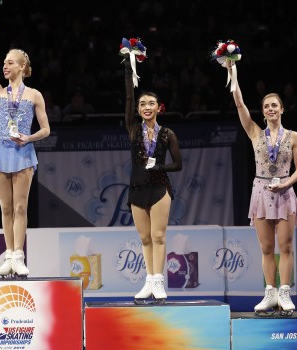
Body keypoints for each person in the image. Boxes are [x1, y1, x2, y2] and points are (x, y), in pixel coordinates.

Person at [227, 61, 297, 315]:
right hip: (260, 192)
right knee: (267, 248)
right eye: (266, 106)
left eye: (274, 105)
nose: (271, 109)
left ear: (282, 109)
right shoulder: (254, 133)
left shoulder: (294, 136)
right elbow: (239, 103)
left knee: (287, 247)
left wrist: (285, 183)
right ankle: (269, 293)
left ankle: (285, 293)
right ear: (262, 112)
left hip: (284, 192)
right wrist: (232, 73)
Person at [0, 11, 50, 278]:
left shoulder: (34, 95)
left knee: (20, 207)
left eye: (10, 63)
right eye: (4, 63)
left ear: (21, 67)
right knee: (5, 208)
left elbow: (46, 129)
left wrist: (28, 138)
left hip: (23, 151)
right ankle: (8, 255)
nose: (5, 66)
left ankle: (19, 255)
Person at [124, 60, 182, 304]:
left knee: (158, 236)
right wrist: (128, 72)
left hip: (159, 188)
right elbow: (127, 100)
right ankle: (149, 280)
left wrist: (159, 166)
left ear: (159, 108)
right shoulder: (134, 130)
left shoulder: (168, 134)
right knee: (145, 238)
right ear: (137, 109)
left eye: (151, 103)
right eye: (142, 104)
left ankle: (159, 281)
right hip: (137, 189)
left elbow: (178, 164)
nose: (147, 107)